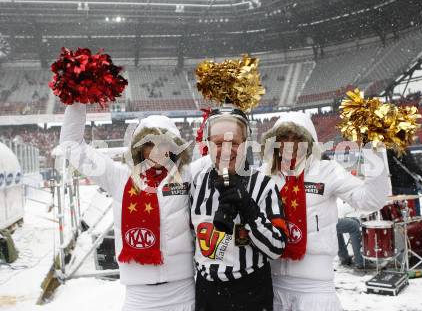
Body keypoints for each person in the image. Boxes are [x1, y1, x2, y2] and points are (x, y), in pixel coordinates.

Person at [58, 103, 195, 311]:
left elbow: (223, 158)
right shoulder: (119, 177)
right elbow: (72, 147)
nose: (158, 151)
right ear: (140, 146)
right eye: (151, 143)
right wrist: (77, 102)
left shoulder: (188, 175)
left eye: (164, 143)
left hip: (182, 292)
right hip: (139, 296)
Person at [260, 112, 390, 311]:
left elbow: (371, 199)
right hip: (271, 287)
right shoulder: (263, 175)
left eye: (297, 138)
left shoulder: (327, 171)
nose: (290, 145)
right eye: (283, 138)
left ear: (309, 142)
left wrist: (374, 150)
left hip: (316, 291)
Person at [190, 107, 287, 311]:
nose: (226, 150)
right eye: (218, 143)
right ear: (209, 145)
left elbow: (277, 247)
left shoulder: (264, 185)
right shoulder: (197, 183)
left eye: (233, 143)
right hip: (206, 292)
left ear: (245, 145)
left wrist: (248, 208)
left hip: (250, 292)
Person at [387, 148, 422, 216]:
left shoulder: (386, 151)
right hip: (408, 186)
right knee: (413, 210)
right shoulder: (402, 148)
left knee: (398, 210)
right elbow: (412, 165)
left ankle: (401, 223)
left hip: (394, 186)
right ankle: (415, 222)